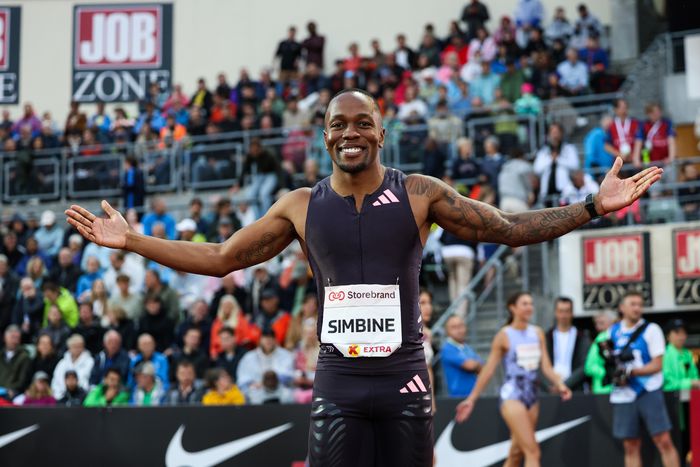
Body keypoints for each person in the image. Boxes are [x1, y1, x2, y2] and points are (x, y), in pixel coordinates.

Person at [66, 88, 662, 467]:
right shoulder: (300, 206)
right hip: (338, 384)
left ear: (381, 132)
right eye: (338, 124)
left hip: (405, 380)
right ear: (324, 135)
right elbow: (222, 257)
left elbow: (506, 228)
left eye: (362, 123)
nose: (349, 132)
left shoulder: (420, 194)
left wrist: (592, 207)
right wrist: (132, 241)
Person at [455, 292, 572, 467]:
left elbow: (546, 367)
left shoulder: (537, 333)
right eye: (524, 304)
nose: (529, 307)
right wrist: (471, 399)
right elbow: (488, 370)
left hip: (532, 395)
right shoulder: (504, 335)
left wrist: (560, 384)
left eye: (531, 303)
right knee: (533, 451)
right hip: (512, 394)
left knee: (516, 454)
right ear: (513, 308)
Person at [608, 292, 680, 467]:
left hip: (648, 389)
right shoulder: (613, 331)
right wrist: (614, 373)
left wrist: (631, 372)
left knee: (663, 440)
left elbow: (657, 364)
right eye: (632, 304)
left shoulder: (652, 329)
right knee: (630, 445)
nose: (637, 308)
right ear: (622, 308)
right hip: (624, 393)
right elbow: (608, 362)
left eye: (640, 304)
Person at [663, 319, 699, 463]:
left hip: (690, 403)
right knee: (676, 440)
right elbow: (668, 382)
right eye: (677, 333)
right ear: (668, 336)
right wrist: (690, 383)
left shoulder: (687, 354)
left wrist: (694, 382)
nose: (682, 336)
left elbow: (694, 376)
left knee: (689, 438)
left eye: (684, 333)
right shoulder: (665, 354)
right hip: (672, 404)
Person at [542, 297, 591, 392]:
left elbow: (585, 365)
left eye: (567, 311)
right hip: (551, 389)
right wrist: (552, 385)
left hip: (575, 388)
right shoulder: (546, 337)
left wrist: (565, 385)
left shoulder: (582, 337)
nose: (563, 315)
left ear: (572, 313)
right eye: (560, 311)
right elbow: (541, 365)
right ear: (555, 313)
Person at [237, 329, 294, 397]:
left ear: (275, 340)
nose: (268, 340)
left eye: (271, 337)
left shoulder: (285, 355)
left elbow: (289, 375)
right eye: (265, 337)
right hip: (256, 393)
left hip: (281, 393)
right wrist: (252, 384)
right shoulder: (249, 357)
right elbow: (243, 379)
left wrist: (268, 382)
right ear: (260, 340)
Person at [534, 123, 580, 207]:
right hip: (547, 192)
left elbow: (575, 165)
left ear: (561, 134)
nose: (555, 136)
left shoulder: (569, 149)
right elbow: (537, 169)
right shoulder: (543, 151)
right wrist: (551, 160)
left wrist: (558, 159)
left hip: (564, 191)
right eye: (552, 132)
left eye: (557, 132)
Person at [440, 315, 483, 397]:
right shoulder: (447, 348)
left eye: (460, 326)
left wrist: (476, 364)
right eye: (454, 327)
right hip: (458, 397)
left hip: (473, 396)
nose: (458, 330)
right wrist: (476, 364)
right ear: (447, 331)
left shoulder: (467, 347)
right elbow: (470, 365)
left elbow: (482, 368)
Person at [585, 309, 618, 395]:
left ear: (613, 322)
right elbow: (589, 367)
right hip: (604, 389)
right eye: (596, 324)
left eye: (601, 323)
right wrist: (605, 374)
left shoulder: (605, 338)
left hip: (617, 389)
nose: (598, 327)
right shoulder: (600, 339)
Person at [51, 334, 94, 400]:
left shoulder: (90, 362)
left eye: (79, 346)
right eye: (74, 346)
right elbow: (55, 382)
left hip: (83, 397)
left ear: (83, 347)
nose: (77, 349)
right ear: (69, 348)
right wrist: (59, 396)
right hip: (62, 397)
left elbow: (91, 383)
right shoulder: (62, 363)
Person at [605, 99, 641, 166]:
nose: (624, 110)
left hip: (635, 161)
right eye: (621, 108)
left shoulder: (635, 123)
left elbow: (640, 140)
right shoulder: (611, 125)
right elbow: (607, 146)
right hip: (619, 163)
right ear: (615, 109)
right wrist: (619, 154)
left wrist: (635, 155)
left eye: (625, 107)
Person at [0, 325, 31, 400]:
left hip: (15, 392)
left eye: (16, 337)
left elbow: (22, 380)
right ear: (5, 338)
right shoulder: (0, 355)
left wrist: (9, 389)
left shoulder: (24, 357)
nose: (14, 340)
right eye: (12, 337)